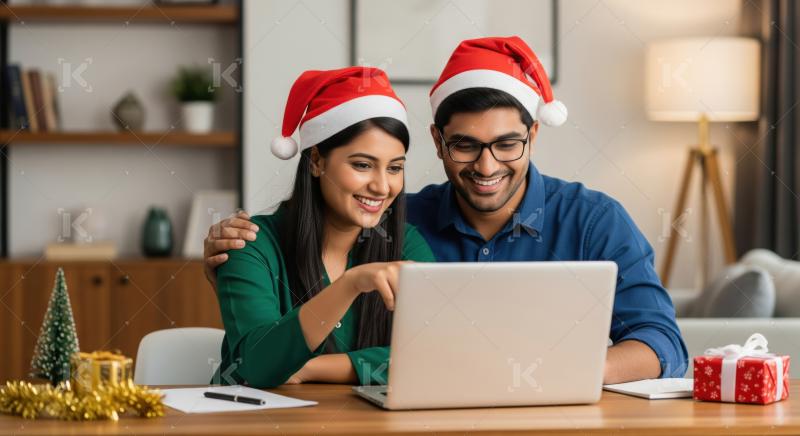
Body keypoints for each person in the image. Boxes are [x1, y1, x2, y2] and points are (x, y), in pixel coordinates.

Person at [207, 37, 688, 385]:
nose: (487, 166)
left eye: (506, 145)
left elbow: (663, 341)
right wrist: (224, 269)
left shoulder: (593, 220)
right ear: (438, 142)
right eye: (466, 146)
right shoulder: (399, 219)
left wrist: (560, 376)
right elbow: (423, 355)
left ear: (533, 136)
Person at [211, 66, 435, 388]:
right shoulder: (250, 244)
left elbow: (433, 353)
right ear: (316, 161)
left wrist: (308, 368)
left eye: (395, 168)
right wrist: (350, 284)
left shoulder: (406, 245)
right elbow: (256, 365)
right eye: (362, 165)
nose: (382, 186)